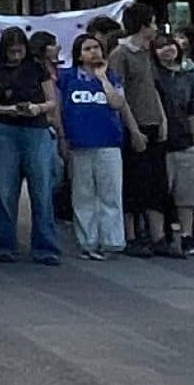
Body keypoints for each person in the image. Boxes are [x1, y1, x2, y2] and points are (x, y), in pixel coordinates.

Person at [0, 28, 60, 265]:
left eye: (19, 50)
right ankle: (4, 243)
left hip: (36, 129)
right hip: (5, 130)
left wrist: (38, 108)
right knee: (4, 190)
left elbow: (52, 100)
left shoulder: (36, 68)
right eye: (11, 51)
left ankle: (46, 246)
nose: (16, 55)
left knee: (41, 189)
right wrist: (9, 110)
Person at [55, 33, 128, 259]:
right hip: (79, 143)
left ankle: (112, 241)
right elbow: (58, 108)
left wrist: (103, 78)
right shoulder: (66, 78)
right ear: (78, 54)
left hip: (108, 142)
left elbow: (118, 103)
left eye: (96, 48)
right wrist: (62, 138)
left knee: (110, 193)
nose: (94, 52)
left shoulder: (112, 77)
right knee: (83, 194)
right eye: (88, 48)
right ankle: (87, 241)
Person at [112, 5, 176, 257]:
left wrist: (162, 120)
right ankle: (131, 235)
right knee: (134, 181)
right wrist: (133, 128)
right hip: (133, 125)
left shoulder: (147, 53)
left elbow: (153, 87)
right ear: (142, 25)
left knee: (157, 182)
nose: (155, 27)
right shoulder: (121, 54)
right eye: (152, 22)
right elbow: (120, 95)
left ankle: (158, 236)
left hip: (153, 122)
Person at [151, 32, 194, 258]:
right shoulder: (154, 76)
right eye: (160, 47)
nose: (167, 50)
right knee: (162, 190)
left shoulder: (187, 77)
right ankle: (161, 236)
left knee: (188, 192)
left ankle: (187, 236)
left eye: (170, 45)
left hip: (185, 139)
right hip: (161, 141)